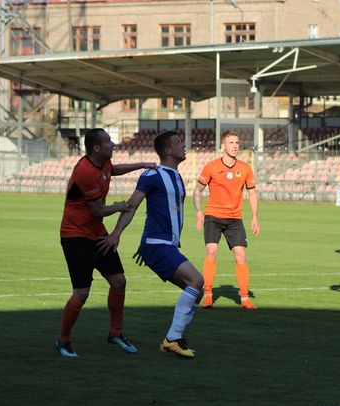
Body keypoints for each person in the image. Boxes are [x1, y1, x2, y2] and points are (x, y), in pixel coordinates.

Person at [98, 130, 204, 358]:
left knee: (197, 291)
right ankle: (172, 339)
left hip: (162, 244)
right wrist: (116, 233)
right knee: (196, 280)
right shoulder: (152, 174)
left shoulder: (177, 177)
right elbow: (132, 205)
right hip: (158, 244)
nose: (183, 145)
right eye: (178, 142)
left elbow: (158, 211)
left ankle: (174, 338)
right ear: (167, 150)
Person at [57, 128, 156, 358]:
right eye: (108, 141)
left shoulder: (103, 163)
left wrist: (141, 165)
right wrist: (120, 206)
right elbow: (97, 210)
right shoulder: (85, 171)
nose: (113, 144)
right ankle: (63, 339)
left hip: (97, 234)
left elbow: (115, 170)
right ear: (96, 148)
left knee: (119, 282)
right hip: (76, 237)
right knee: (81, 293)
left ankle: (115, 333)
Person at [193, 130, 260, 310]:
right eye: (231, 143)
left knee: (241, 255)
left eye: (237, 143)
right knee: (212, 251)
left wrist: (255, 216)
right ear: (223, 146)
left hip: (235, 218)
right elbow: (197, 190)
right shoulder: (211, 167)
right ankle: (208, 295)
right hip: (213, 216)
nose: (235, 146)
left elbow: (252, 193)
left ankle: (244, 298)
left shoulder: (245, 168)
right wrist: (198, 212)